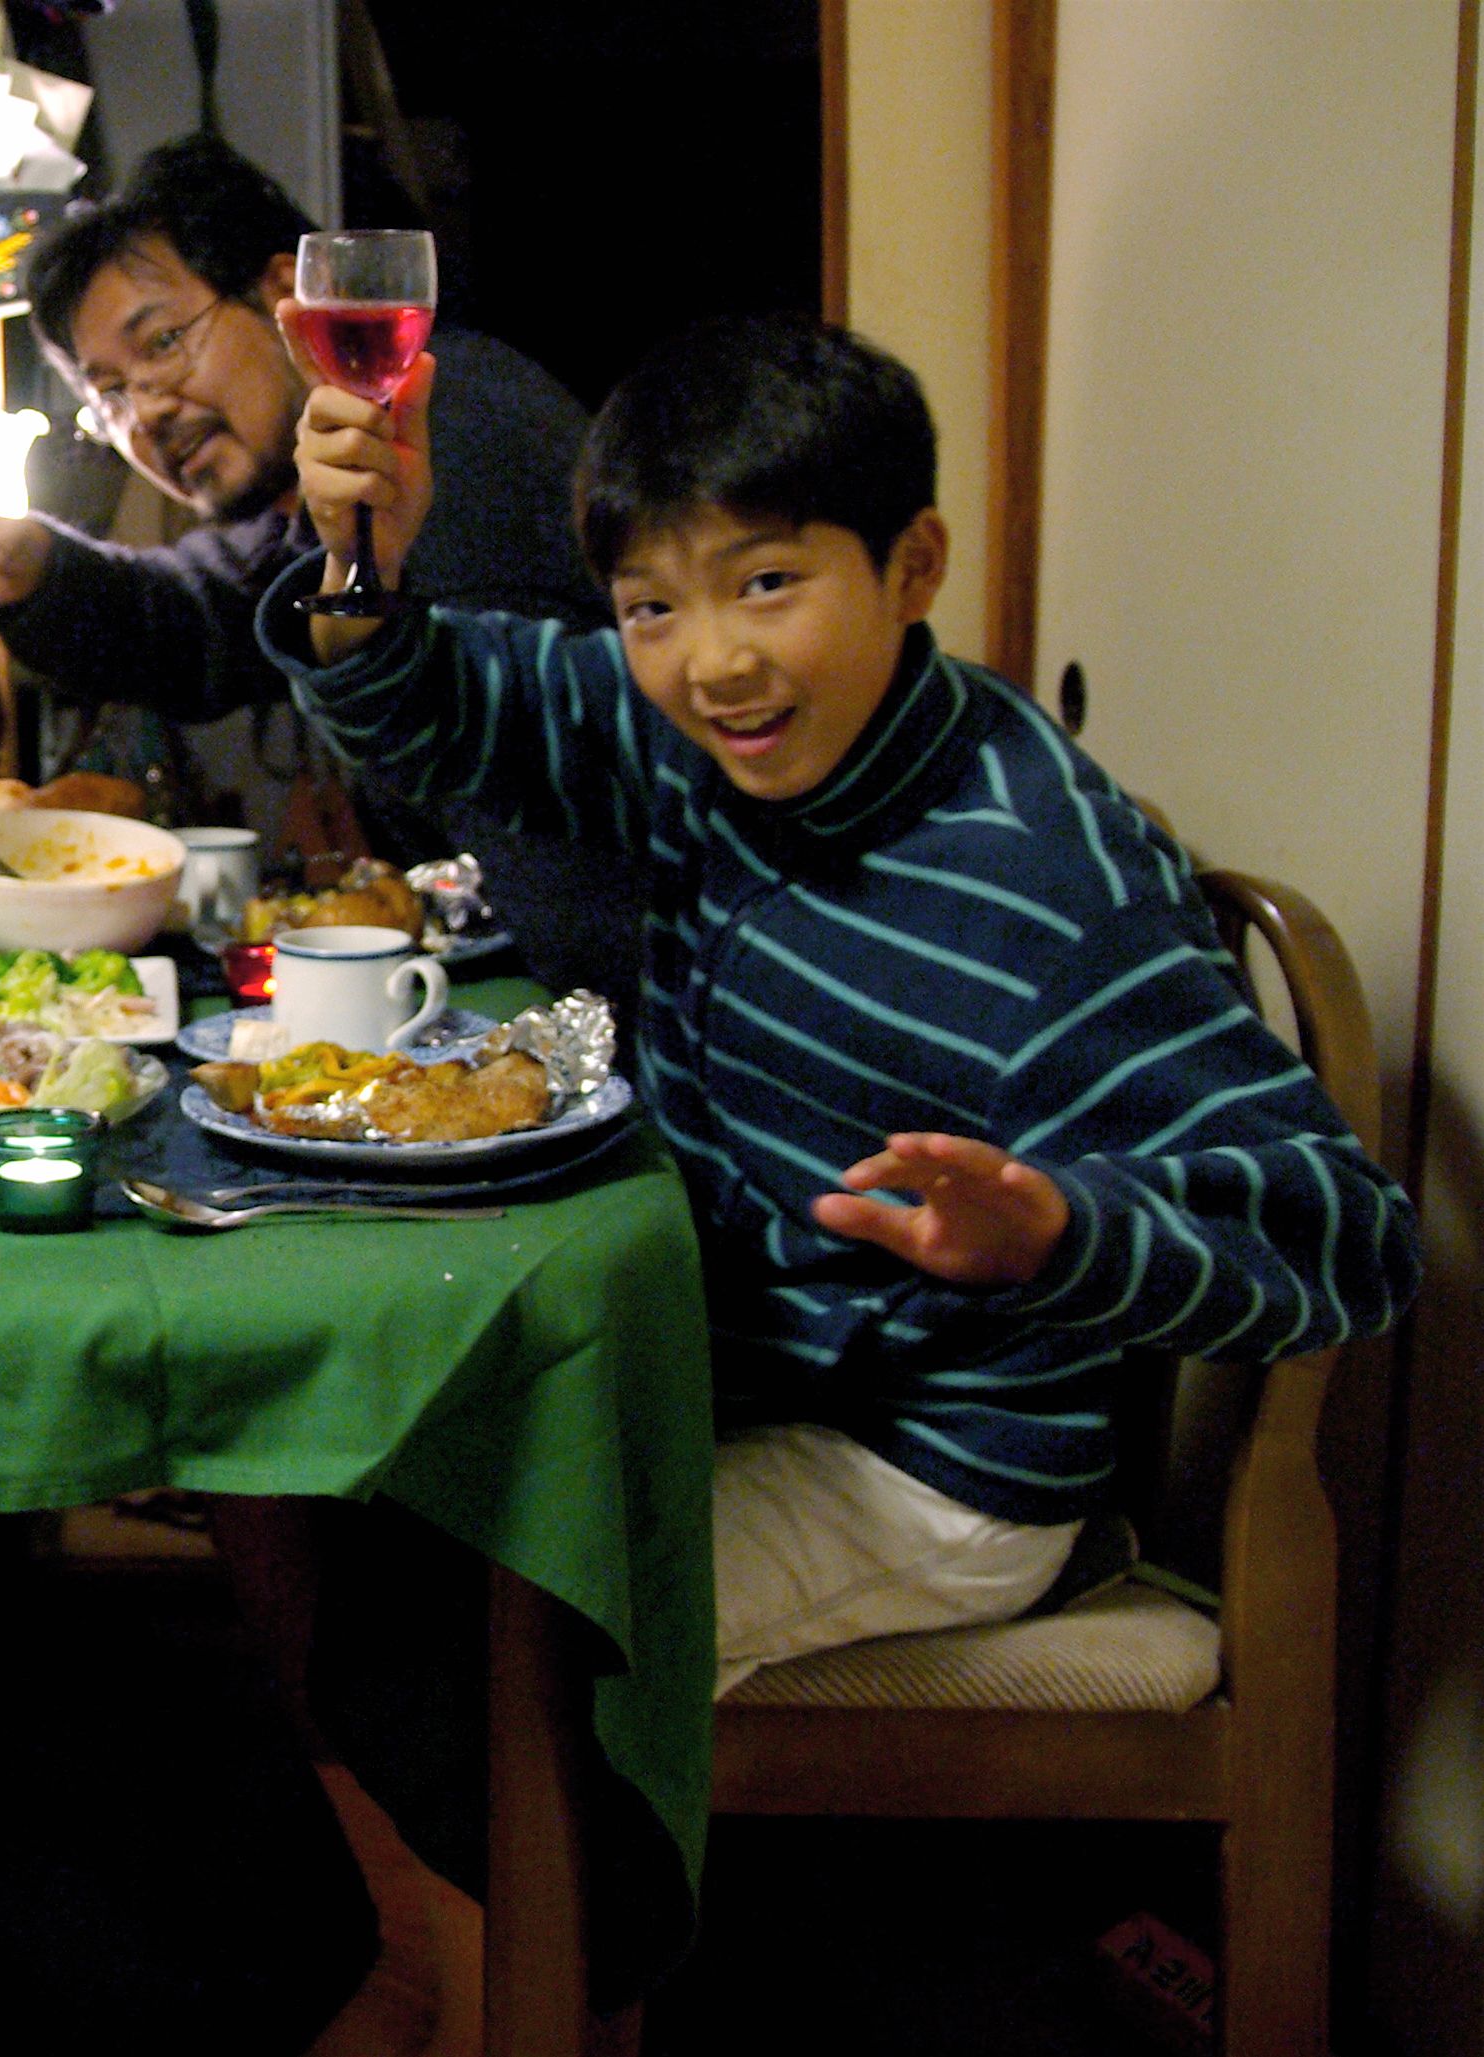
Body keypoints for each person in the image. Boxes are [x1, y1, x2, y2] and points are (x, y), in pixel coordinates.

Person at [263, 313, 1419, 1689]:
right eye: (651, 606)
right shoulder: (710, 738)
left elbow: (1348, 1240)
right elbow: (440, 706)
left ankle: (583, 1833)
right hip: (755, 1375)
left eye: (766, 584)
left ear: (911, 565)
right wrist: (360, 563)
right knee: (366, 1499)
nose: (711, 661)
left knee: (478, 1633)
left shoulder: (1046, 885)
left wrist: (1060, 1232)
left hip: (934, 1469)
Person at [0, 131, 634, 999]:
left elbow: (546, 795)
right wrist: (39, 571)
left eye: (162, 341)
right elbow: (202, 612)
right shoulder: (324, 490)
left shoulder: (438, 436)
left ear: (286, 294)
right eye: (108, 392)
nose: (145, 413)